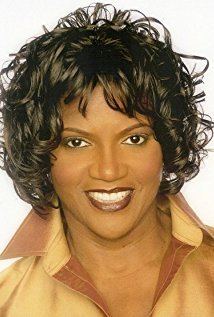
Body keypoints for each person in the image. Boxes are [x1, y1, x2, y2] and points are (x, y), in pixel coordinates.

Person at [0, 2, 213, 316]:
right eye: (76, 142)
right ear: (42, 153)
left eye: (134, 138)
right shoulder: (8, 302)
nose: (109, 170)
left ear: (168, 142)